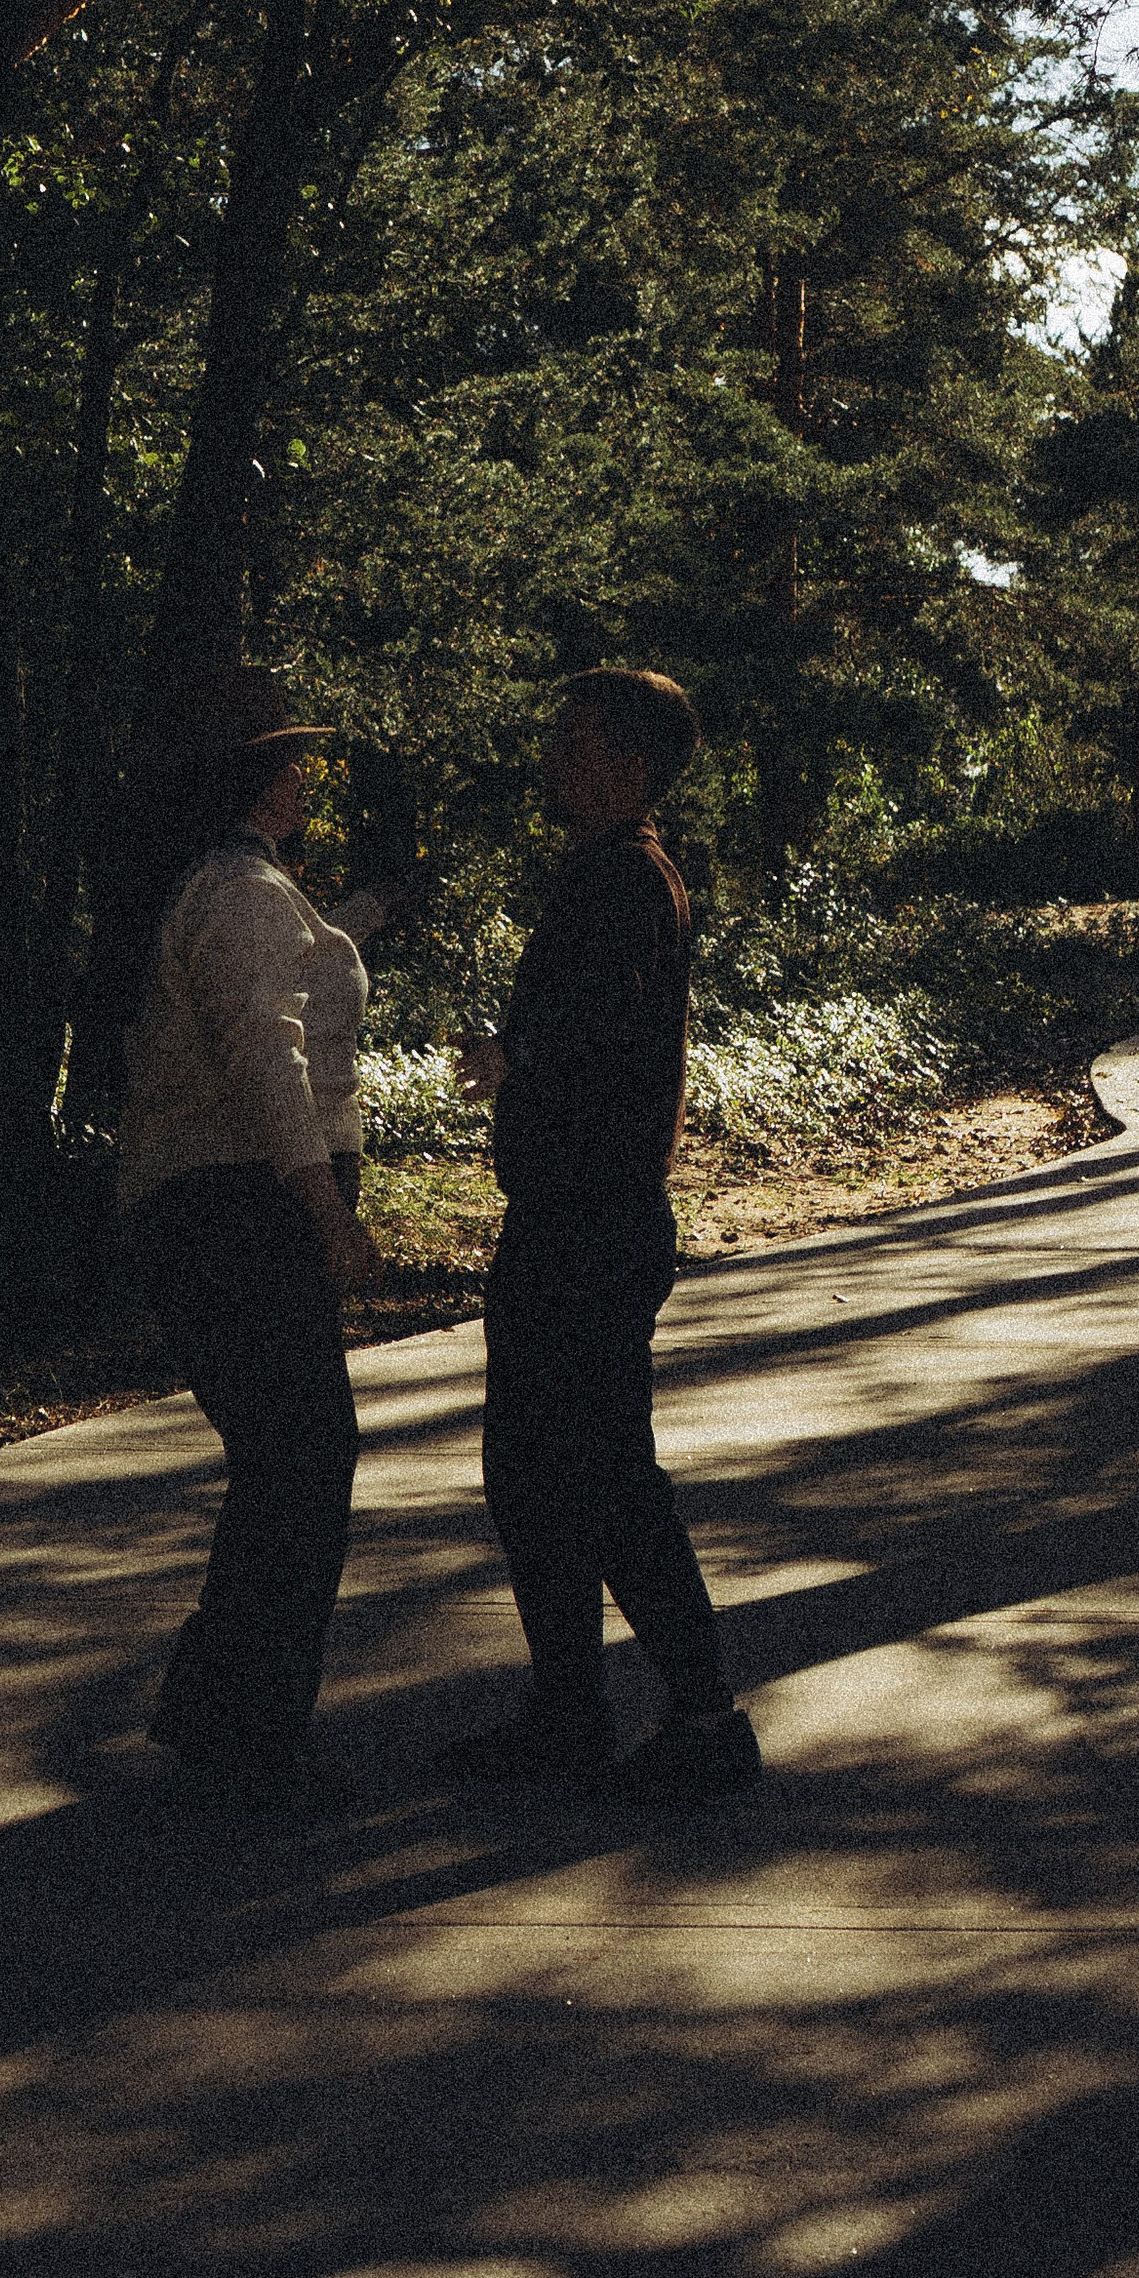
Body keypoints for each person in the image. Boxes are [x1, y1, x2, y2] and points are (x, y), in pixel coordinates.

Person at [440, 666, 760, 1806]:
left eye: (573, 744)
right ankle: (571, 1713)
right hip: (577, 1216)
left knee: (601, 1476)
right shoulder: (616, 871)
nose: (552, 760)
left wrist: (519, 1054)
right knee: (540, 1475)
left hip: (591, 1222)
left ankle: (703, 1717)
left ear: (629, 766)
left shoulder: (625, 878)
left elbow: (603, 1020)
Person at [110, 667, 384, 1806]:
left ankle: (222, 1712)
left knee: (286, 1463)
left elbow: (270, 1005)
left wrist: (355, 923)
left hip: (225, 1207)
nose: (304, 776)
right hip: (238, 1212)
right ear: (256, 781)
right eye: (288, 760)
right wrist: (325, 1212)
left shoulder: (241, 890)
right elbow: (267, 1062)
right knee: (303, 1463)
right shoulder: (241, 894)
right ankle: (251, 1736)